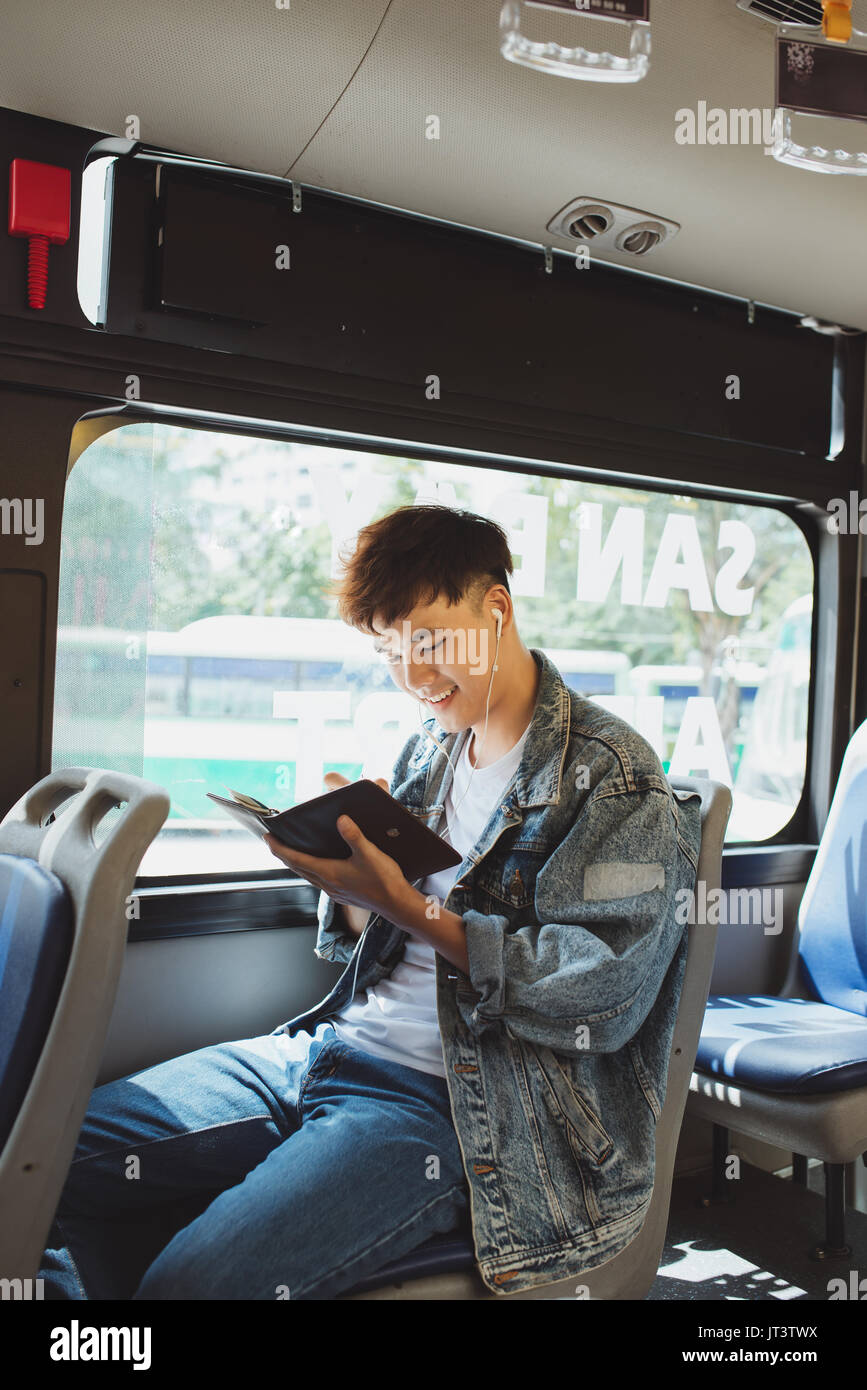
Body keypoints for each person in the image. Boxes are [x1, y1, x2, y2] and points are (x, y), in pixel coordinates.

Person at [39, 504, 701, 1300]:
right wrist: (348, 886)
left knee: (188, 1286)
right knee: (36, 1164)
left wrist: (406, 905)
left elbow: (601, 992)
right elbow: (379, 936)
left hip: (459, 1108)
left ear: (496, 608)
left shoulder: (616, 777)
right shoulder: (430, 748)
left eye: (427, 643)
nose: (413, 677)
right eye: (391, 652)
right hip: (323, 1048)